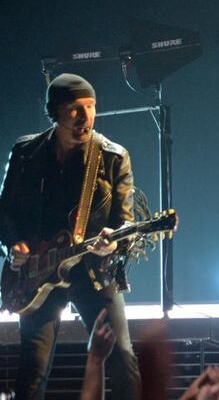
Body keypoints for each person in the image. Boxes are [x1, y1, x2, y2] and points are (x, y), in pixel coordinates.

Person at [0, 73, 141, 399]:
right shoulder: (25, 153)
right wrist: (13, 246)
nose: (85, 116)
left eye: (91, 106)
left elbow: (126, 223)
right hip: (36, 274)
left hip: (93, 271)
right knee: (32, 369)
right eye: (75, 108)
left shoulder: (112, 156)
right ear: (55, 113)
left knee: (122, 357)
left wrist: (114, 242)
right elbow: (4, 211)